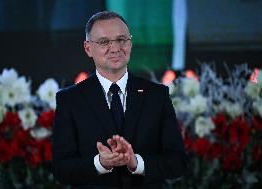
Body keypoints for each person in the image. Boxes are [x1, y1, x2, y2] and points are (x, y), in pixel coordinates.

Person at [52, 11, 189, 189]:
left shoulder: (157, 95)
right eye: (104, 42)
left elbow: (177, 161)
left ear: (130, 44)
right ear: (88, 49)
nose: (115, 48)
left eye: (121, 39)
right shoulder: (70, 100)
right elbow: (61, 169)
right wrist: (100, 163)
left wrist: (136, 163)